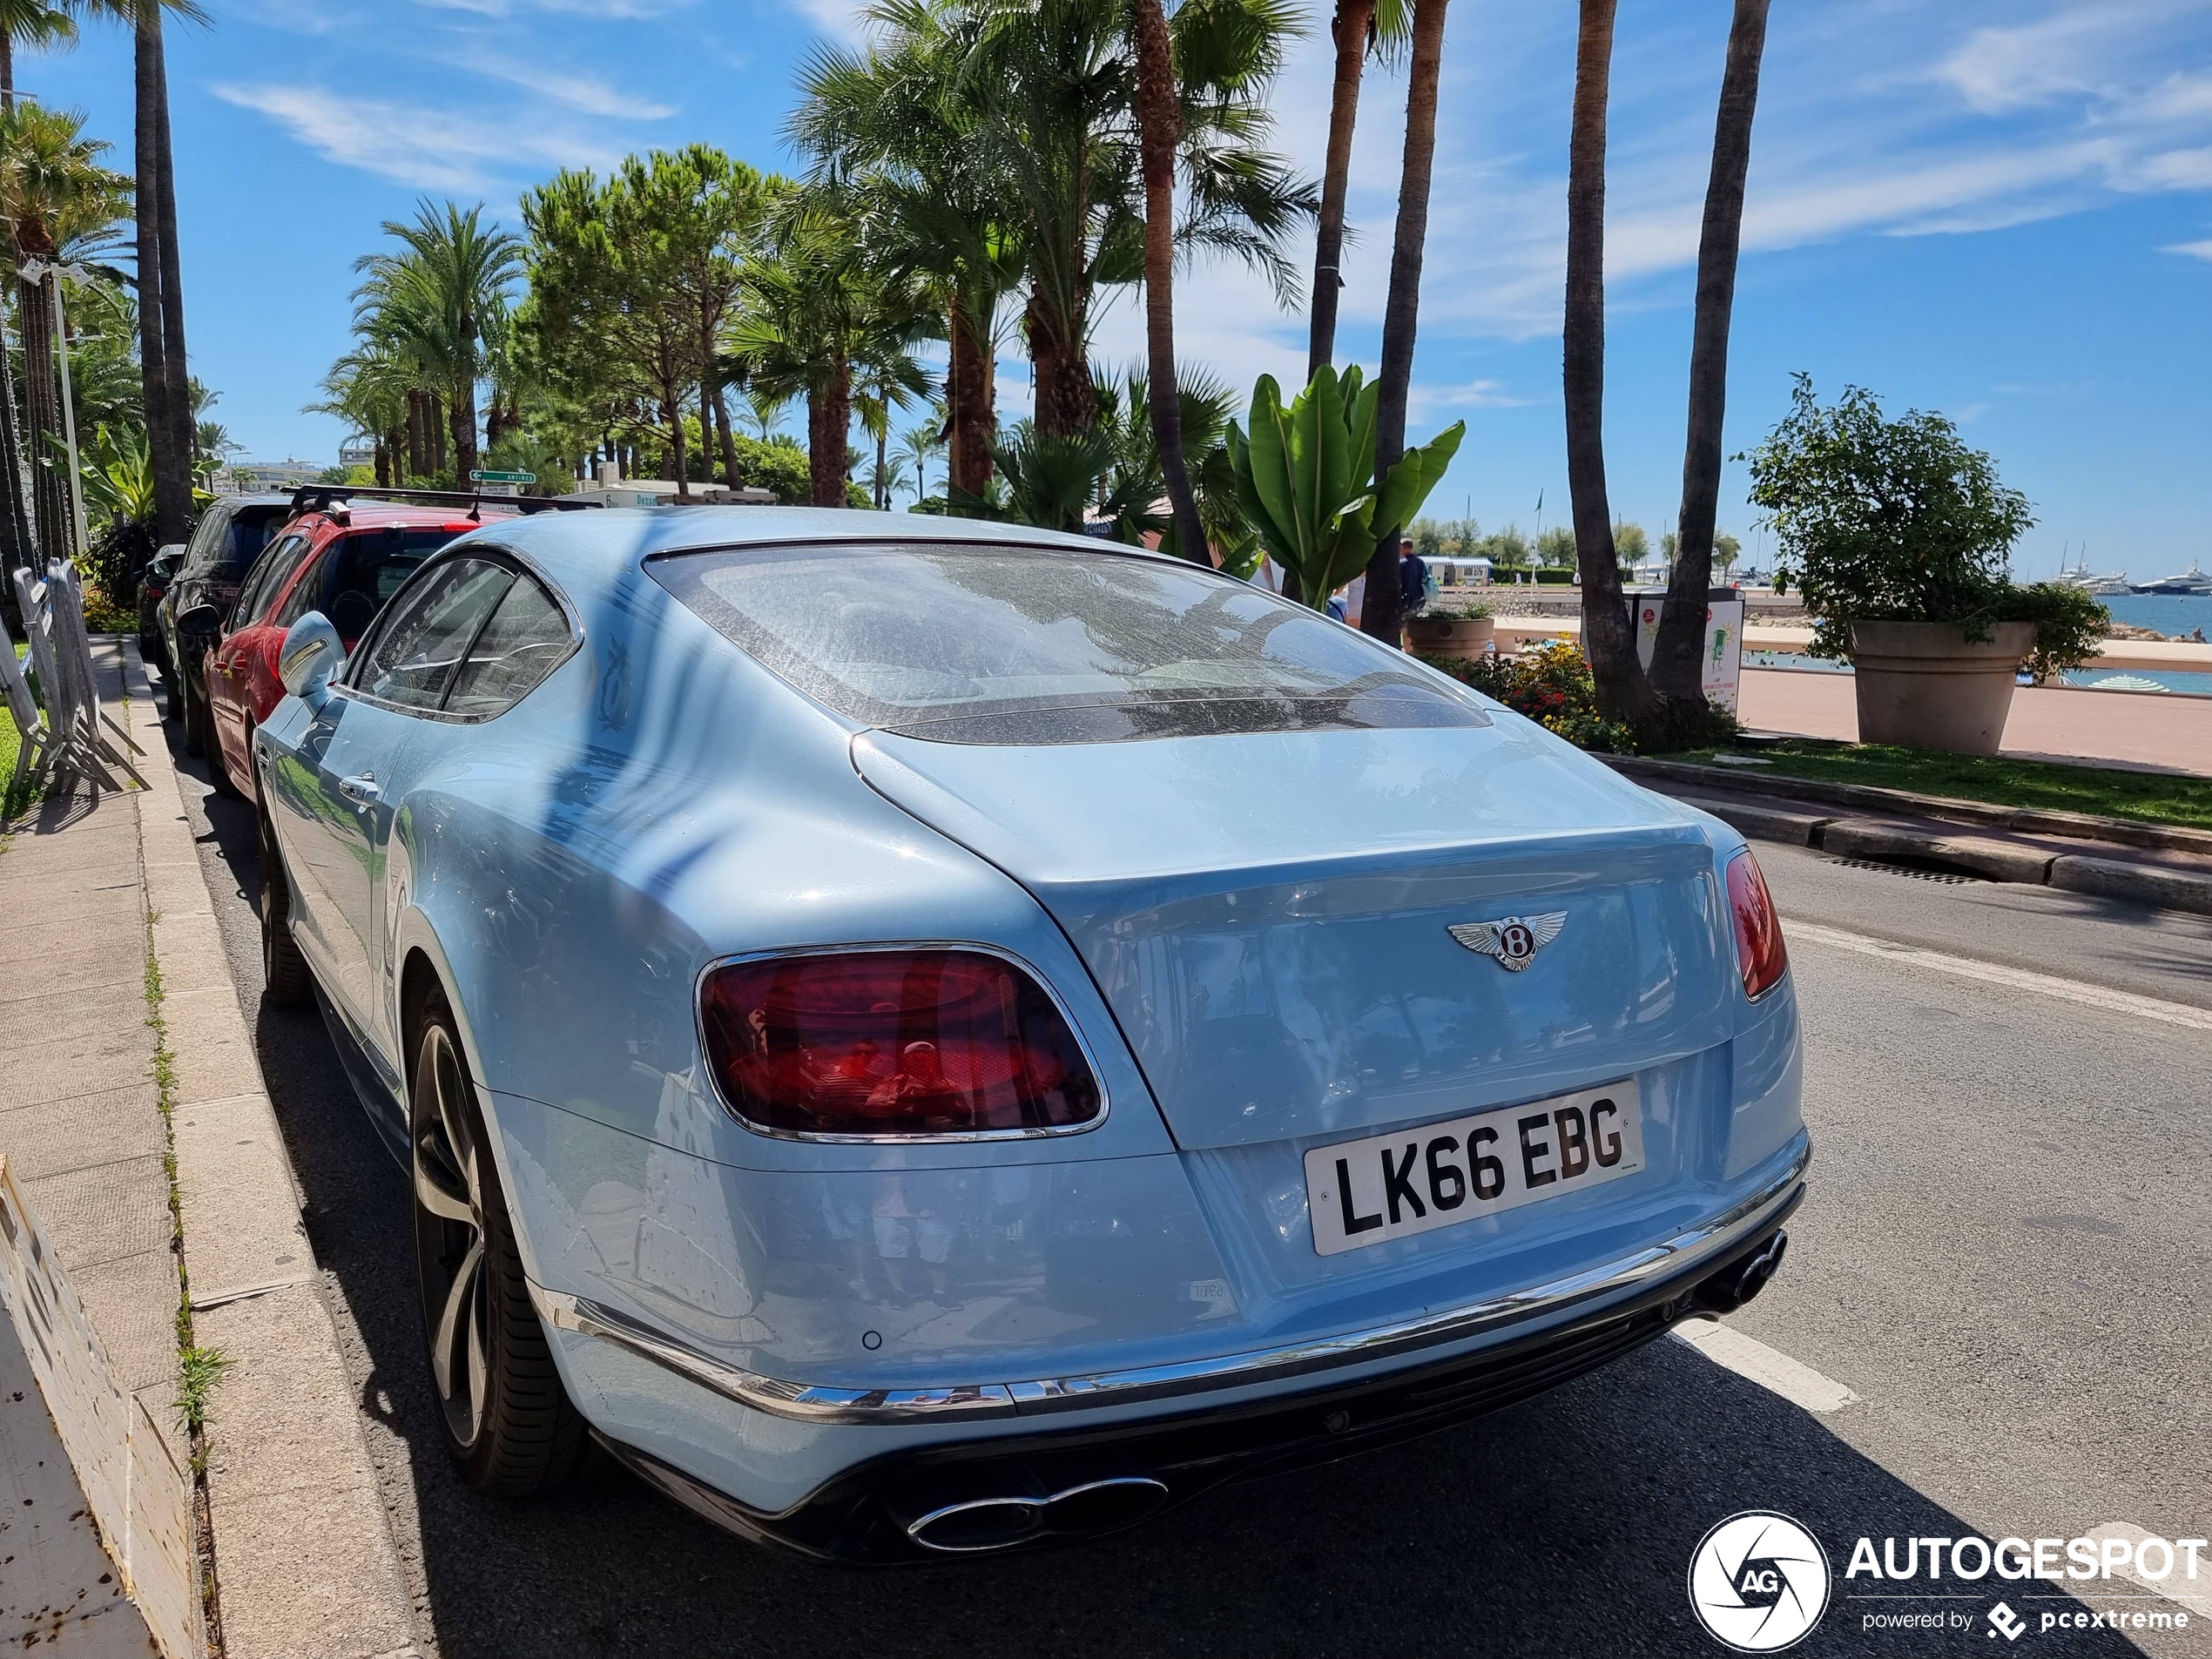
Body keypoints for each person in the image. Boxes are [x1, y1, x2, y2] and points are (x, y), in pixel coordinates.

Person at [1398, 536, 1430, 617]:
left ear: (1402, 547)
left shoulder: (1401, 563)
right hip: (1418, 599)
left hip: (1404, 599)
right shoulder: (1421, 563)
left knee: (1402, 623)